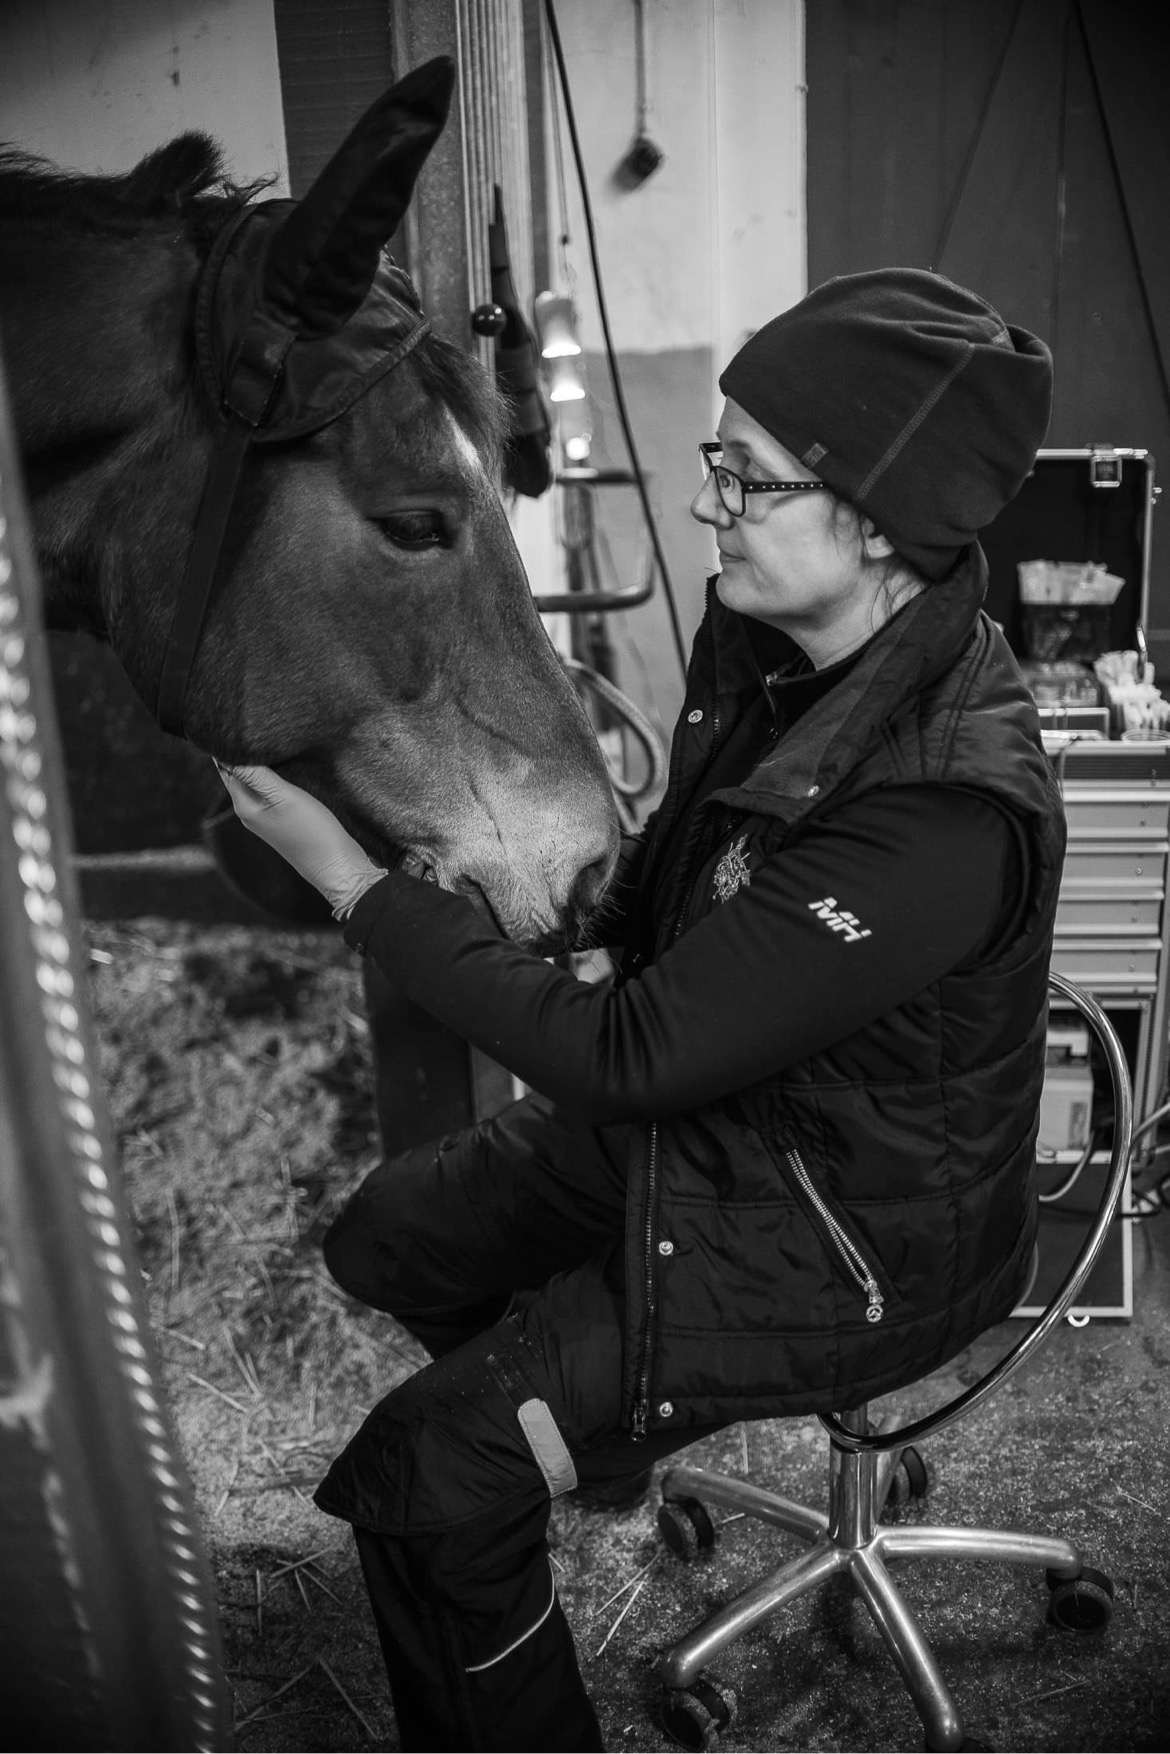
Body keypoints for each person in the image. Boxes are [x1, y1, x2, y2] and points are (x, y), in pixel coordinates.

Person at [218, 267, 1063, 1753]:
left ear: (873, 519)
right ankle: (588, 1439)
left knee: (426, 1478)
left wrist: (358, 884)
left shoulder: (939, 805)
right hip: (724, 1126)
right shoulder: (776, 651)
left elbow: (630, 1053)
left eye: (744, 477)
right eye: (712, 464)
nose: (705, 506)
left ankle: (529, 1457)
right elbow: (679, 887)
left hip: (836, 1234)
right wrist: (591, 926)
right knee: (387, 1235)